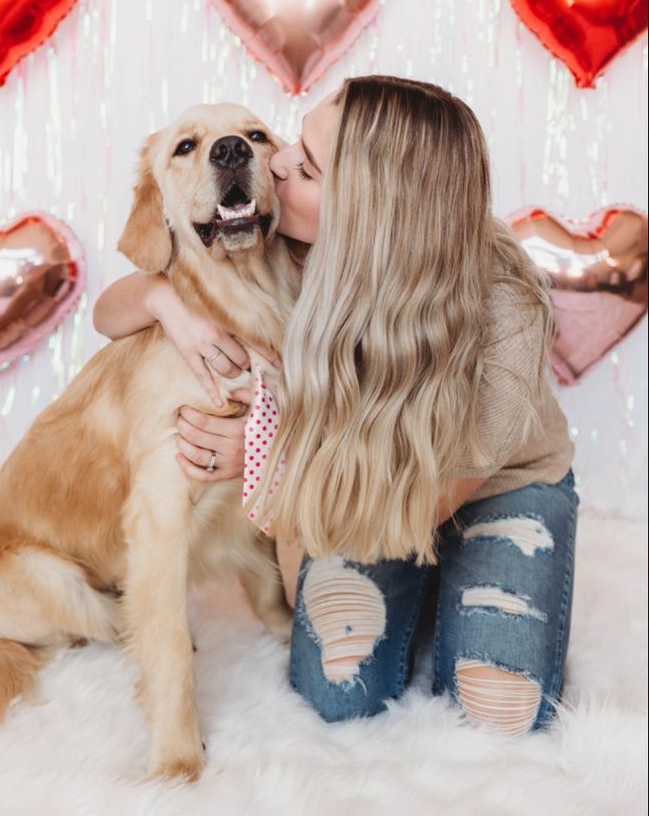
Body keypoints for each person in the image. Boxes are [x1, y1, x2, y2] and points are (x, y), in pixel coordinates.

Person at [93, 75, 579, 737]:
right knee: (335, 690)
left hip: (488, 489)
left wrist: (264, 449)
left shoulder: (507, 316)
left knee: (498, 709)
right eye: (294, 140)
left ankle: (462, 581)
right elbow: (115, 302)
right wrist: (166, 307)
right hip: (354, 482)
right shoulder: (292, 239)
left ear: (369, 213)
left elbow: (416, 510)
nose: (279, 163)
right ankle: (427, 596)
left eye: (309, 167)